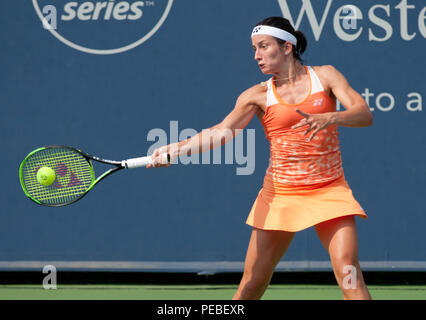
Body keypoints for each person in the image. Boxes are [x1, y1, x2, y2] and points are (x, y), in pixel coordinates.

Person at [147, 16, 373, 300]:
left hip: (329, 190)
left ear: (287, 47)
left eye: (264, 46)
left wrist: (331, 116)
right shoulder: (257, 95)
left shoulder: (326, 76)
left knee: (349, 273)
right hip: (280, 195)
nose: (256, 55)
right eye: (254, 48)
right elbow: (221, 133)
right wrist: (176, 149)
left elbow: (364, 114)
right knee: (251, 285)